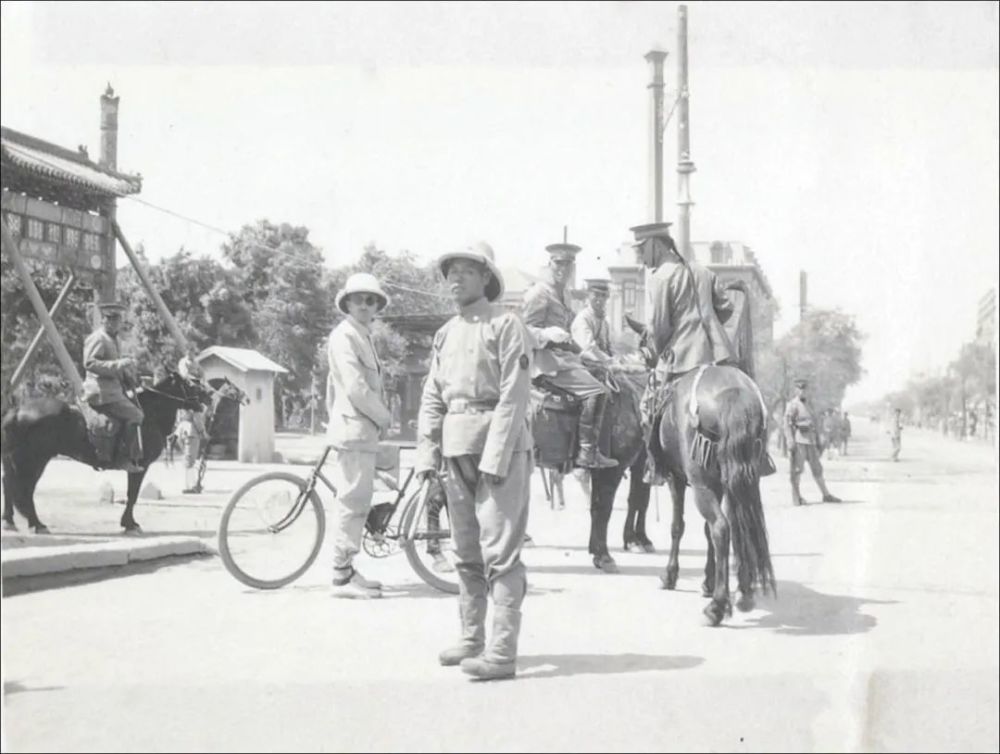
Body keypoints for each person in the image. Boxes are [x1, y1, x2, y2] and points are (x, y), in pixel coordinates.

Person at [417, 241, 533, 681]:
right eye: (451, 271)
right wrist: (427, 453)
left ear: (486, 278)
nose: (456, 279)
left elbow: (514, 394)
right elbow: (432, 395)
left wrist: (497, 454)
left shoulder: (507, 325)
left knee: (500, 553)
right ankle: (471, 638)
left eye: (466, 270)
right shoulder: (446, 333)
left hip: (496, 449)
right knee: (465, 551)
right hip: (454, 446)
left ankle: (501, 654)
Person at [632, 222, 738, 483]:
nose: (641, 258)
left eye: (642, 250)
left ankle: (656, 468)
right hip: (718, 354)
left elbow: (658, 327)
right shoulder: (704, 271)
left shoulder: (660, 277)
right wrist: (709, 326)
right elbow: (726, 307)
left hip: (681, 357)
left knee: (649, 406)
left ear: (656, 246)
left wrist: (657, 352)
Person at [326, 272, 393, 599]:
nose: (365, 305)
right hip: (354, 428)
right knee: (353, 501)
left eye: (371, 300)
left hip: (359, 429)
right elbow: (355, 387)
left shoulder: (361, 335)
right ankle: (341, 575)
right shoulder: (345, 336)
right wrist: (384, 416)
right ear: (347, 303)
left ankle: (349, 569)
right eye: (359, 299)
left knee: (362, 498)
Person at [521, 241, 617, 469]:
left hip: (564, 359)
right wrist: (546, 333)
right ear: (550, 264)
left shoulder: (564, 293)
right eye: (558, 263)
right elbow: (523, 332)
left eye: (568, 264)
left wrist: (584, 353)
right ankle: (587, 451)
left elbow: (568, 333)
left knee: (604, 374)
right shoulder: (538, 293)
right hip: (545, 362)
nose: (563, 268)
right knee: (597, 391)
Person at [81, 301, 145, 473]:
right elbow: (90, 363)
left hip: (113, 390)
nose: (116, 324)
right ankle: (123, 459)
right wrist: (119, 364)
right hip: (101, 391)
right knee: (136, 415)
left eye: (117, 320)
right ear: (104, 321)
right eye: (111, 320)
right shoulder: (98, 338)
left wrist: (128, 375)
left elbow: (115, 366)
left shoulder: (114, 339)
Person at [783, 378, 841, 505]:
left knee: (817, 469)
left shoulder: (810, 404)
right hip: (799, 441)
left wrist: (820, 438)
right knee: (797, 470)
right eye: (800, 389)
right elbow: (787, 424)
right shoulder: (792, 405)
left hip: (811, 441)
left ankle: (826, 495)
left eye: (805, 388)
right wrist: (790, 440)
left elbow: (816, 422)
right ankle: (797, 497)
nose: (802, 391)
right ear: (796, 390)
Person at [177, 344, 208, 492]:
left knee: (190, 459)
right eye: (189, 350)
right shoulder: (184, 363)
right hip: (190, 429)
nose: (191, 353)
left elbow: (202, 374)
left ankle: (192, 484)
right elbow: (185, 375)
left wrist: (201, 380)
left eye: (193, 351)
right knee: (189, 459)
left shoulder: (196, 364)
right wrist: (203, 432)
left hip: (189, 428)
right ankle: (187, 486)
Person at [571, 279, 615, 367]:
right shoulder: (583, 319)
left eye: (604, 295)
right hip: (586, 367)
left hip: (603, 366)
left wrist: (616, 359)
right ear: (588, 295)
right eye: (596, 295)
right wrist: (611, 362)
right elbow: (589, 349)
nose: (600, 299)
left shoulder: (604, 320)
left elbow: (609, 347)